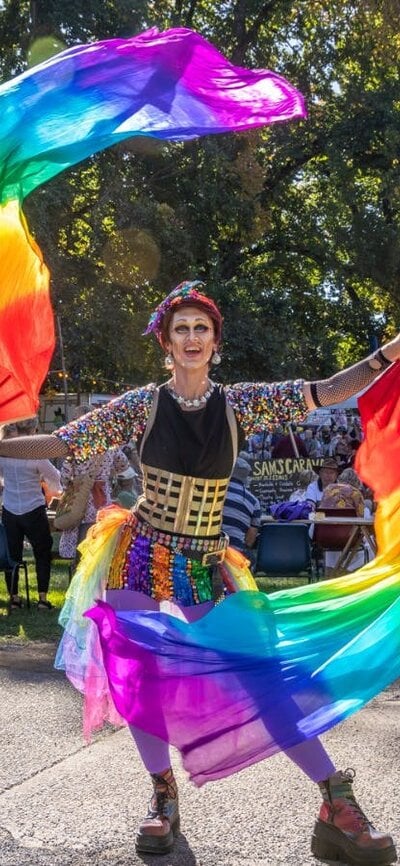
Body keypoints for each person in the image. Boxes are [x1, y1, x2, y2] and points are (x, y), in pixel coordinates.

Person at [0, 281, 399, 865]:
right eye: (181, 328)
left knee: (261, 679)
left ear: (215, 343)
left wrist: (388, 353)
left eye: (201, 329)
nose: (192, 338)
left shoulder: (242, 403)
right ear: (166, 342)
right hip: (139, 552)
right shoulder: (142, 404)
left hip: (206, 560)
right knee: (137, 674)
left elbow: (327, 390)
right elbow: (63, 441)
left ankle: (334, 803)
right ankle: (162, 797)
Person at [0, 417, 61, 610]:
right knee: (42, 552)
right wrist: (52, 488)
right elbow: (55, 478)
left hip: (10, 507)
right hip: (33, 508)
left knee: (13, 555)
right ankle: (42, 598)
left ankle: (15, 597)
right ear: (34, 430)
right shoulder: (36, 455)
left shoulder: (4, 454)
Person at [58, 404, 129, 564]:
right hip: (102, 499)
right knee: (99, 549)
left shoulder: (75, 447)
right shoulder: (109, 445)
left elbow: (65, 477)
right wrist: (107, 473)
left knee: (80, 547)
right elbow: (123, 464)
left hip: (80, 500)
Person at [222, 454, 261, 567]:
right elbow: (250, 540)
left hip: (209, 549)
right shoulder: (253, 502)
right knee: (251, 557)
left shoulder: (216, 492)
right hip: (235, 554)